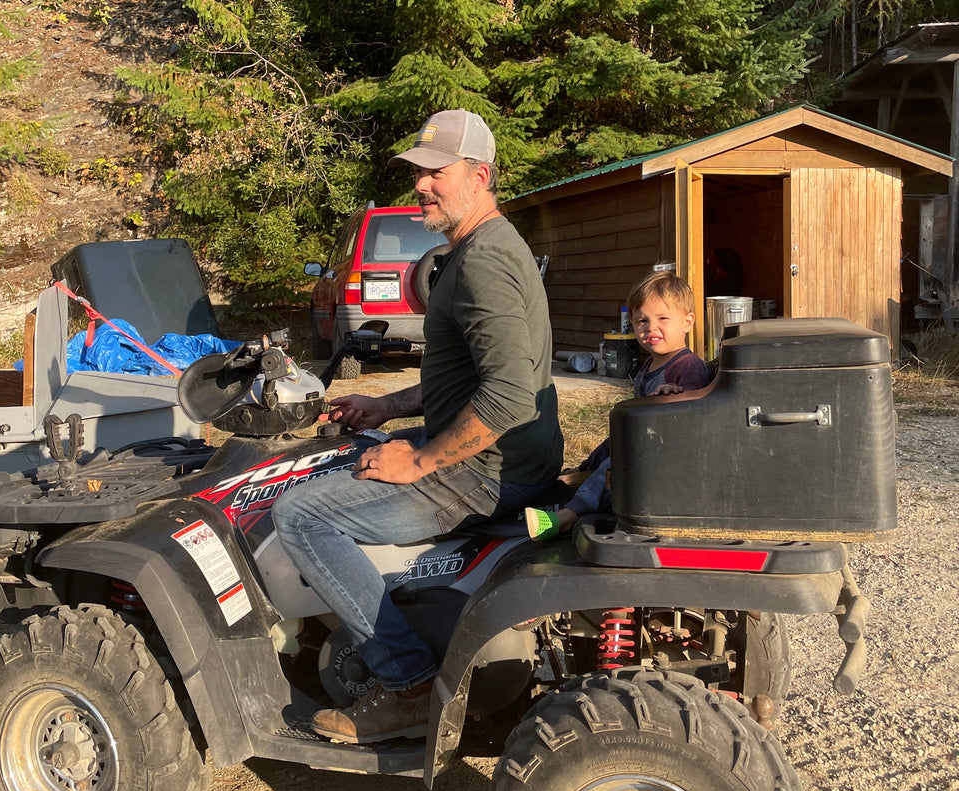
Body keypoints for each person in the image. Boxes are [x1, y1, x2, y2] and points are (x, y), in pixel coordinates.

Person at [272, 109, 563, 744]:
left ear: (479, 175)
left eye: (436, 172)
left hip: (484, 475)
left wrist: (422, 460)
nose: (421, 185)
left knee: (300, 514)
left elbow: (510, 394)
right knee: (352, 456)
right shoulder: (477, 250)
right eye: (418, 174)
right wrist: (391, 407)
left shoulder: (485, 260)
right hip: (496, 462)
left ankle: (405, 683)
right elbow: (469, 377)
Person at [524, 271, 709, 539]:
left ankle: (566, 517)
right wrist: (587, 463)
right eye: (642, 320)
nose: (651, 328)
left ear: (687, 322)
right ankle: (579, 475)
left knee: (614, 466)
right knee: (611, 447)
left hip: (667, 455)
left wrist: (678, 395)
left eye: (662, 319)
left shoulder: (687, 366)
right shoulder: (648, 365)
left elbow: (697, 411)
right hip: (642, 441)